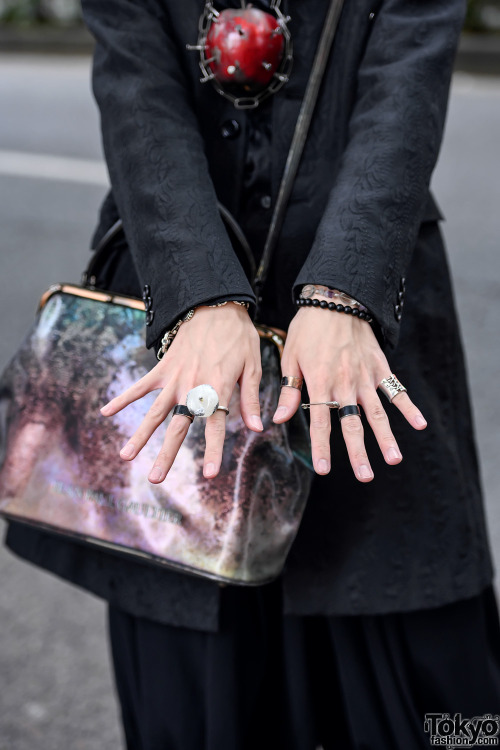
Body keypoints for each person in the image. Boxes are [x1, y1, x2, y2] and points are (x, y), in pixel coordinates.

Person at [5, 0, 500, 747]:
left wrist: (346, 290)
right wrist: (197, 292)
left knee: (442, 712)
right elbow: (136, 81)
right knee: (200, 699)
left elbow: (406, 74)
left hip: (363, 323)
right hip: (180, 325)